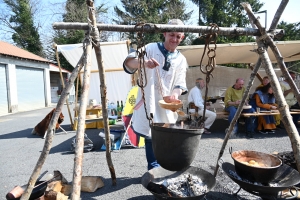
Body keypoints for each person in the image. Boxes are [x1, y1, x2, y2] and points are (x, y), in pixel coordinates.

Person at [123, 19, 188, 170]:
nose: (174, 39)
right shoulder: (151, 48)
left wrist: (175, 95)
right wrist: (144, 62)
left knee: (168, 136)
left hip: (167, 107)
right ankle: (153, 169)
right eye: (171, 34)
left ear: (182, 38)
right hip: (150, 103)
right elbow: (129, 62)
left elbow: (180, 83)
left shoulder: (181, 59)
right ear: (164, 33)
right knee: (151, 136)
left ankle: (165, 167)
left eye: (178, 36)